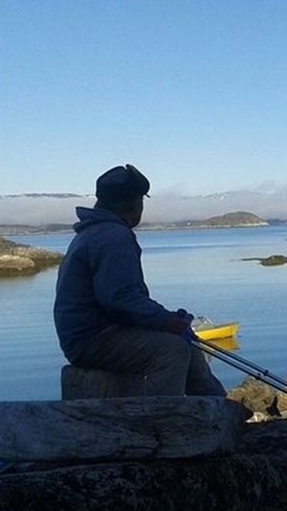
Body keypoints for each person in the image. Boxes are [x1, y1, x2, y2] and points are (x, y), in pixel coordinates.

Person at [53, 163, 225, 397]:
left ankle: (216, 406)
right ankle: (164, 419)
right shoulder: (113, 236)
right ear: (134, 203)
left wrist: (167, 320)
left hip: (92, 334)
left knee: (189, 343)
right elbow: (119, 298)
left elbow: (122, 299)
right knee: (171, 349)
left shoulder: (94, 232)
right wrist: (164, 320)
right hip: (92, 339)